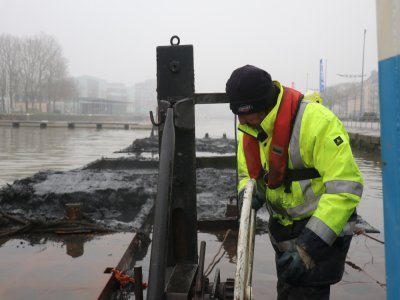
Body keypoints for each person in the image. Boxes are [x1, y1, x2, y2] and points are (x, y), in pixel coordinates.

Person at [225, 65, 363, 299]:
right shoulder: (251, 129)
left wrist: (307, 247)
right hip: (283, 233)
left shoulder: (317, 122)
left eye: (245, 113)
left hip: (319, 235)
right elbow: (245, 173)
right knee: (288, 291)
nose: (242, 120)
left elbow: (345, 188)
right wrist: (246, 193)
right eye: (237, 114)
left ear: (263, 105)